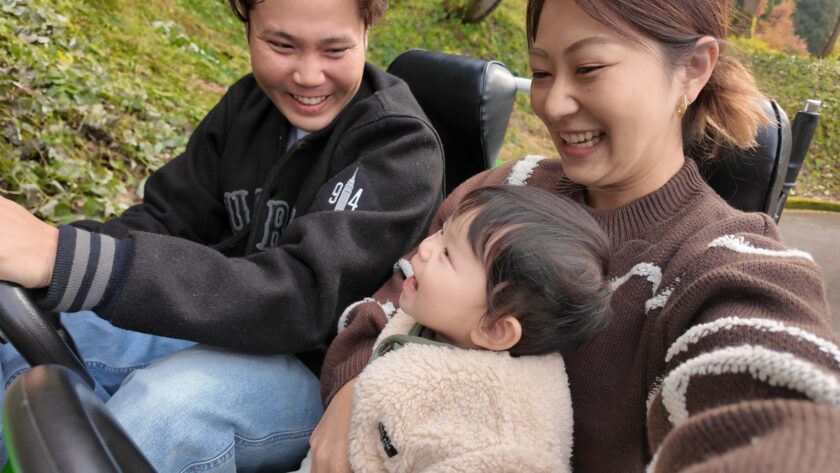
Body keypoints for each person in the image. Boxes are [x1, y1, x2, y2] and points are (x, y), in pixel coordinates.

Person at [314, 0, 840, 472]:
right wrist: (353, 391)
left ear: (693, 68)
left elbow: (784, 409)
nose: (554, 103)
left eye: (588, 68)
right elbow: (383, 309)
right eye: (542, 71)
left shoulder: (725, 262)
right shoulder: (502, 191)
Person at [0, 0, 444, 471]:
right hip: (229, 325)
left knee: (169, 409)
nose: (308, 76)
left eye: (335, 50)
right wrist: (47, 254)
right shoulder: (249, 105)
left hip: (319, 373)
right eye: (281, 45)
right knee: (25, 339)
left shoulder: (401, 150)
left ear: (367, 33)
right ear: (247, 26)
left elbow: (300, 300)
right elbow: (167, 219)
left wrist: (68, 259)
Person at [293, 185, 611, 472]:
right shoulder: (435, 320)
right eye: (442, 232)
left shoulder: (498, 438)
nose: (426, 247)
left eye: (447, 254)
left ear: (495, 329)